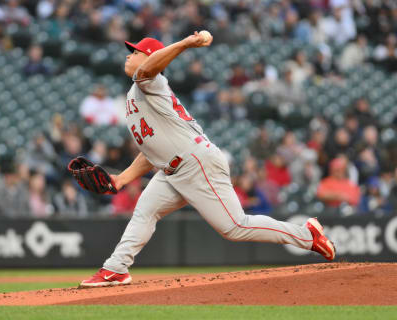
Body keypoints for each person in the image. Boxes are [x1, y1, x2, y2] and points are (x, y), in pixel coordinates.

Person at [79, 33, 335, 288]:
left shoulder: (152, 81)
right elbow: (152, 150)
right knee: (145, 211)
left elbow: (149, 68)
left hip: (196, 161)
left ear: (150, 57)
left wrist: (185, 43)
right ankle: (116, 269)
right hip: (173, 168)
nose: (128, 55)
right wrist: (121, 179)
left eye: (135, 52)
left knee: (235, 227)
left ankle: (307, 236)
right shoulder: (135, 94)